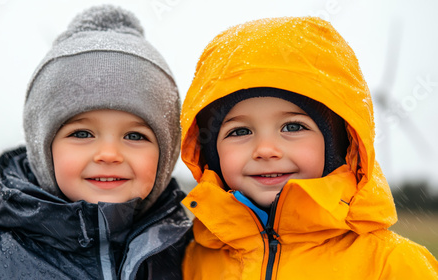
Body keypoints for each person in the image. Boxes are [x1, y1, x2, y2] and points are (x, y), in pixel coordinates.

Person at [0, 5, 191, 279]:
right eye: (82, 134)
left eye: (134, 136)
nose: (108, 154)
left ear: (166, 155)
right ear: (43, 151)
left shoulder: (197, 259)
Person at [180, 16, 438, 279]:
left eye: (292, 127)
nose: (266, 150)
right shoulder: (193, 261)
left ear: (339, 144)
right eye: (240, 131)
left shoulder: (393, 265)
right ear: (210, 153)